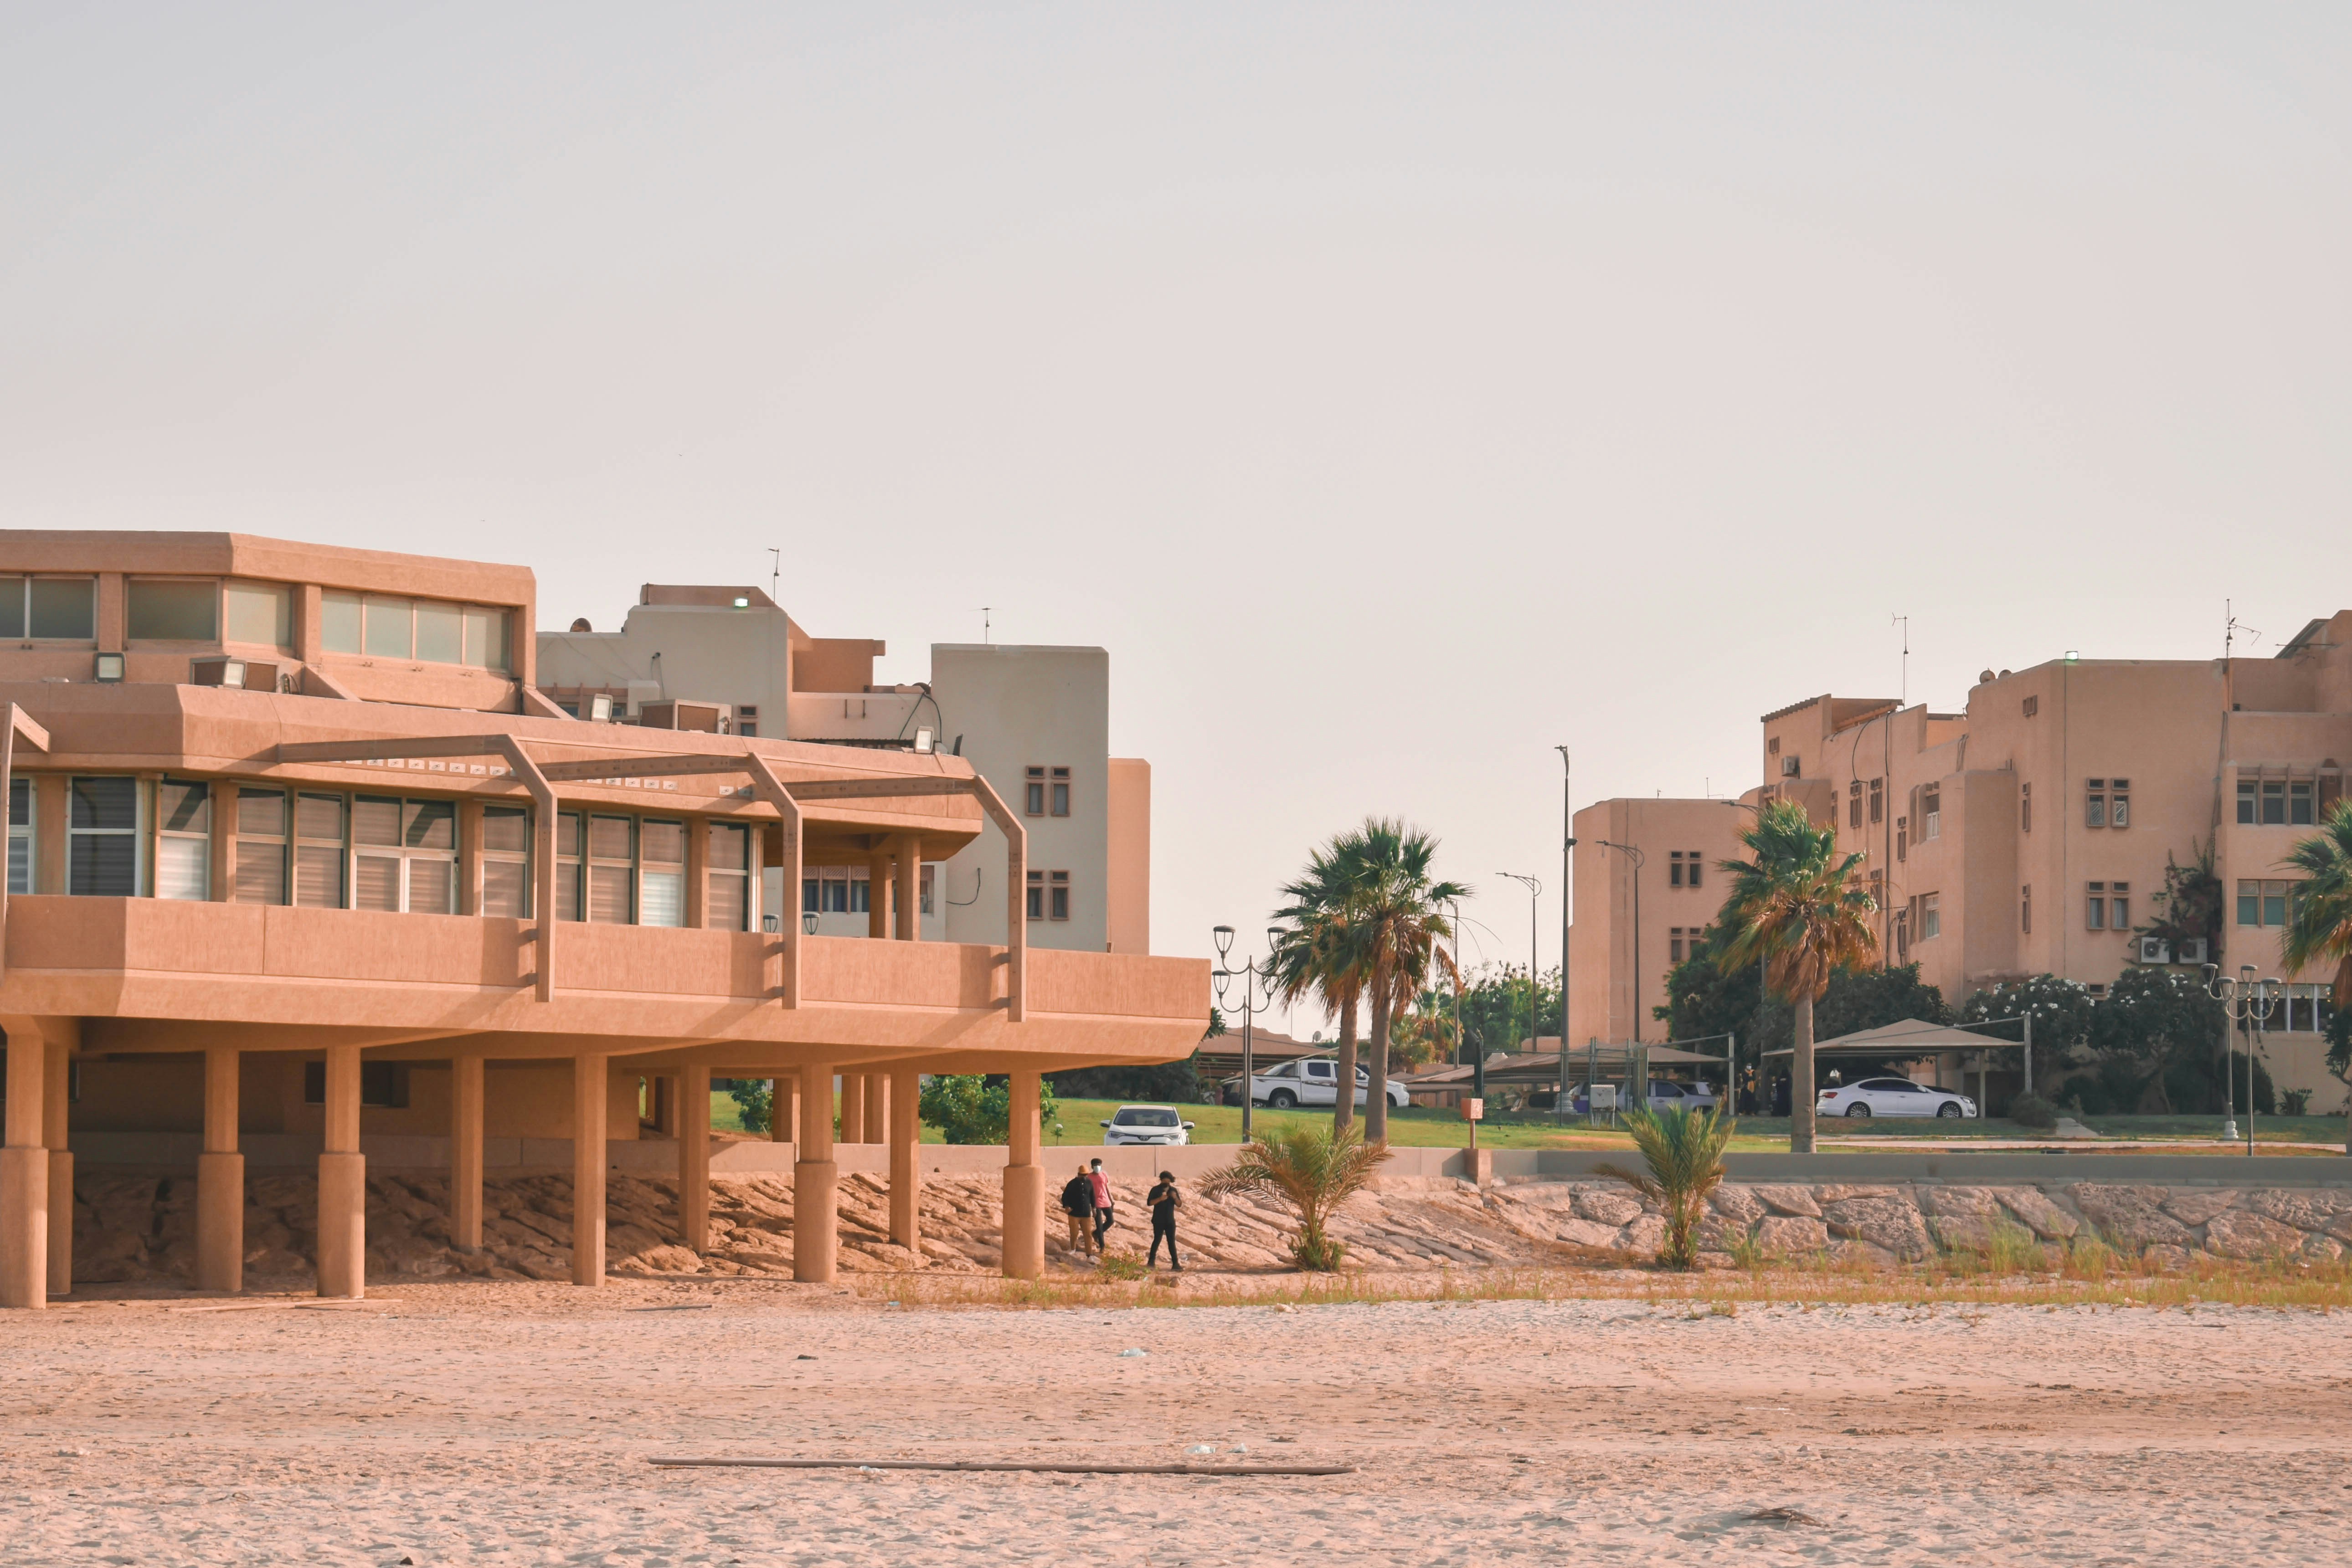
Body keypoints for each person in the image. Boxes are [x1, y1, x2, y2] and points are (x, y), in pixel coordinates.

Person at [1060, 1163, 1098, 1257]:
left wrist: (1094, 1209)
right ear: (1079, 1174)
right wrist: (1067, 1206)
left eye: (1086, 1175)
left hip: (1086, 1213)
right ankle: (1073, 1249)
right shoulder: (1072, 1183)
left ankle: (1089, 1254)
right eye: (1083, 1175)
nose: (1084, 1177)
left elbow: (1092, 1196)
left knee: (1088, 1234)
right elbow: (1065, 1197)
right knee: (1074, 1233)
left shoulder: (1089, 1183)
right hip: (1074, 1213)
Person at [1146, 1170, 1182, 1271]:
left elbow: (1179, 1204)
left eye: (1168, 1182)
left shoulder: (1173, 1190)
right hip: (1158, 1220)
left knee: (1171, 1242)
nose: (1166, 1183)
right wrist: (1160, 1199)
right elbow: (1149, 1203)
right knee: (1157, 1240)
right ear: (1161, 1180)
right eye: (1165, 1181)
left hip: (1170, 1221)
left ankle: (1176, 1264)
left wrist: (1175, 1198)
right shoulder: (1155, 1190)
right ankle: (1151, 1261)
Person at [1088, 1157, 1116, 1251]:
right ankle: (1102, 1246)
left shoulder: (1104, 1175)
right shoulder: (1089, 1177)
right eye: (1096, 1165)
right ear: (1092, 1166)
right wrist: (1092, 1206)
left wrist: (1112, 1200)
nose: (1098, 1167)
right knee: (1099, 1225)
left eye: (1099, 1165)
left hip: (1106, 1201)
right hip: (1096, 1203)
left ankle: (1096, 1234)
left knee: (1111, 1220)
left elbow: (1107, 1187)